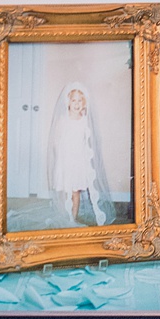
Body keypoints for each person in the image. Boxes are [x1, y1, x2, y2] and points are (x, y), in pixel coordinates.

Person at [45, 82, 116, 227]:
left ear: (83, 103)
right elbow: (56, 141)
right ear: (68, 102)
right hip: (65, 159)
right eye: (73, 100)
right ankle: (65, 215)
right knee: (66, 191)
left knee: (75, 191)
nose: (76, 104)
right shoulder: (63, 120)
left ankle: (73, 218)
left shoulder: (84, 121)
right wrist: (60, 157)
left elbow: (88, 142)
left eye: (79, 100)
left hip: (78, 160)